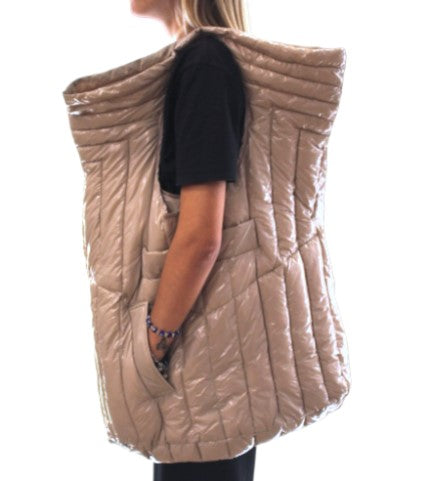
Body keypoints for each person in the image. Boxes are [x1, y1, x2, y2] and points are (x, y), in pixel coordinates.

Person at [130, 1, 257, 480]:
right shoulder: (202, 61)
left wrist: (152, 346)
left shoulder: (204, 65)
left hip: (204, 376)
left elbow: (202, 236)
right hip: (212, 369)